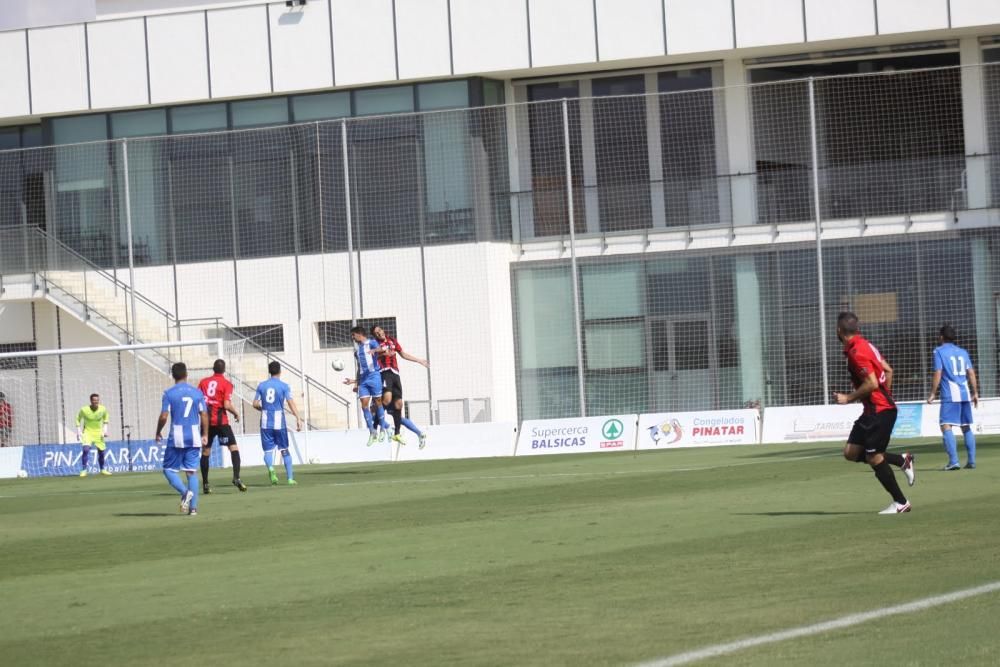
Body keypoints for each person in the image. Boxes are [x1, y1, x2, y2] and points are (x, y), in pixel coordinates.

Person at [833, 312, 915, 514]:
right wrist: (885, 395)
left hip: (880, 412)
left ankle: (901, 502)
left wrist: (848, 398)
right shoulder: (865, 345)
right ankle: (901, 460)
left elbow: (871, 382)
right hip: (873, 410)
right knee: (851, 453)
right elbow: (888, 371)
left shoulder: (857, 352)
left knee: (873, 457)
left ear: (839, 330)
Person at [155, 363, 207, 516]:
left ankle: (185, 493)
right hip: (194, 435)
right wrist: (205, 434)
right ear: (186, 374)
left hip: (177, 435)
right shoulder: (197, 393)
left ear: (173, 375)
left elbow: (164, 416)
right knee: (191, 472)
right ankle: (193, 509)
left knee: (168, 469)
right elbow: (204, 414)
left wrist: (158, 431)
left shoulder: (169, 393)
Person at [927, 324, 979, 470]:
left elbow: (938, 372)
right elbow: (971, 373)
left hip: (950, 394)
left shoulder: (938, 351)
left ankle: (954, 461)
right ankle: (971, 461)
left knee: (945, 425)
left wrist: (932, 393)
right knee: (965, 426)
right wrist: (975, 392)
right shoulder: (963, 352)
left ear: (941, 337)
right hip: (965, 393)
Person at [371, 324, 428, 449]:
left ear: (383, 330)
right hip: (384, 373)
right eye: (376, 333)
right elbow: (372, 356)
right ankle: (378, 429)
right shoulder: (375, 344)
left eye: (379, 330)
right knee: (383, 402)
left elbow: (403, 354)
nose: (379, 333)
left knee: (398, 405)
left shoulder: (392, 341)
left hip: (395, 375)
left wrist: (419, 361)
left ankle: (395, 432)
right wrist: (382, 354)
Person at [198, 359, 246, 493]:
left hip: (206, 421)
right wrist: (236, 413)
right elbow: (226, 404)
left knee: (206, 452)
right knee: (233, 448)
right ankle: (236, 477)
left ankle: (206, 484)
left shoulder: (203, 382)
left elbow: (198, 399)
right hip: (221, 422)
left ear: (213, 369)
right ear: (224, 370)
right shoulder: (227, 384)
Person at [253, 361, 302, 486]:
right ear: (280, 371)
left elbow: (255, 403)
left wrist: (263, 409)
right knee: (284, 449)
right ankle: (290, 478)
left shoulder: (261, 386)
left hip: (265, 422)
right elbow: (290, 402)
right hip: (279, 422)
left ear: (269, 371)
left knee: (268, 451)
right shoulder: (284, 386)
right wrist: (298, 417)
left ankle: (270, 468)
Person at [343, 326, 391, 446]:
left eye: (353, 335)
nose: (352, 337)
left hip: (374, 376)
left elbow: (384, 348)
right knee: (364, 405)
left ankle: (384, 429)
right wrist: (354, 381)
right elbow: (359, 368)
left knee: (378, 402)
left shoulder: (371, 342)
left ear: (359, 334)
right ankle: (372, 431)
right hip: (363, 380)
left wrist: (376, 350)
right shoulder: (357, 351)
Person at [76, 393, 111, 477]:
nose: (96, 401)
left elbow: (106, 419)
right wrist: (78, 431)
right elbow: (78, 418)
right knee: (85, 450)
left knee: (101, 452)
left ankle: (102, 469)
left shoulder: (103, 409)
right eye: (94, 400)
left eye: (97, 400)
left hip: (98, 433)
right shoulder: (84, 410)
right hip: (87, 432)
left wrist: (104, 431)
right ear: (91, 401)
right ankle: (84, 470)